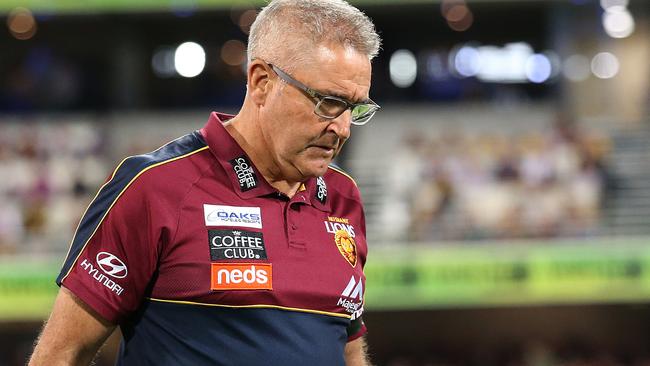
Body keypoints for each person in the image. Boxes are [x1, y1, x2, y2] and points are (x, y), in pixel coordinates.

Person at [29, 0, 381, 364]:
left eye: (356, 109)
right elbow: (61, 354)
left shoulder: (344, 198)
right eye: (328, 102)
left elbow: (348, 346)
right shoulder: (155, 188)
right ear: (261, 81)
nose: (342, 128)